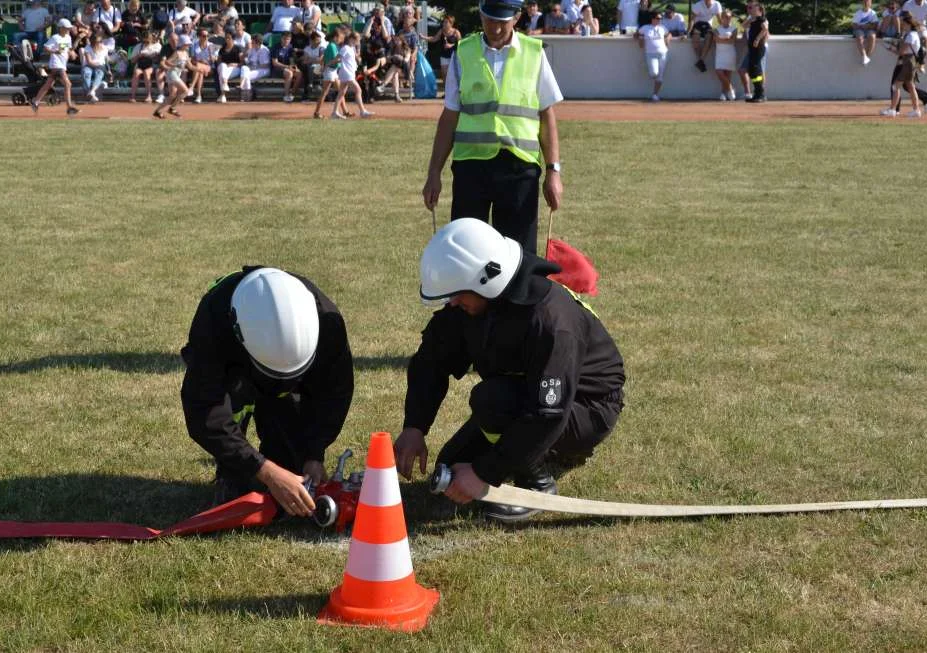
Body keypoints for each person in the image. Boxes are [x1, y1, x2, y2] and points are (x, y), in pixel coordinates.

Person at [393, 219, 625, 522]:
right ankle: (524, 453)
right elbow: (431, 361)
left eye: (458, 294)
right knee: (450, 464)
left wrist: (483, 473)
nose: (452, 302)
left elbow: (549, 412)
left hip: (585, 407)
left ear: (487, 280)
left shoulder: (551, 321)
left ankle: (537, 484)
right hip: (525, 396)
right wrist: (415, 426)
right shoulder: (474, 302)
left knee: (491, 401)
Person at [181, 267, 354, 513]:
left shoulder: (327, 322)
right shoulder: (213, 324)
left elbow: (334, 392)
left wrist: (313, 453)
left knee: (293, 471)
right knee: (241, 482)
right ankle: (232, 473)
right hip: (235, 370)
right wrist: (263, 470)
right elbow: (205, 411)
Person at [422, 0, 564, 256]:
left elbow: (547, 116)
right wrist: (434, 172)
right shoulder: (462, 52)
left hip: (520, 169)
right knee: (466, 254)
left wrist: (554, 171)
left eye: (502, 21)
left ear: (517, 17)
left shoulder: (535, 53)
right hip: (470, 169)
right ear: (480, 13)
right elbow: (449, 117)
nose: (495, 28)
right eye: (489, 19)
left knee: (519, 257)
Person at [31, 18, 80, 115]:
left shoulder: (68, 37)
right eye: (66, 28)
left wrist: (72, 53)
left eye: (68, 28)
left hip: (62, 64)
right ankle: (69, 107)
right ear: (61, 28)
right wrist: (54, 51)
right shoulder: (55, 37)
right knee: (68, 84)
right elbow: (46, 47)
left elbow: (68, 49)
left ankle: (35, 102)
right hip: (56, 65)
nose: (68, 30)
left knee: (48, 85)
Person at [881, 12, 924, 116]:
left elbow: (901, 52)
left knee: (896, 86)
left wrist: (890, 48)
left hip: (908, 62)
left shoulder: (910, 35)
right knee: (910, 86)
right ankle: (915, 110)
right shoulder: (912, 35)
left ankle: (893, 110)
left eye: (903, 23)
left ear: (908, 23)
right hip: (909, 62)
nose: (902, 25)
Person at [332, 31, 375, 118]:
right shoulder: (345, 48)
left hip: (349, 72)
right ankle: (362, 111)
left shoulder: (351, 48)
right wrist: (328, 64)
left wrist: (357, 58)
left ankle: (334, 112)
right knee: (358, 90)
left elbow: (354, 58)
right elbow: (337, 58)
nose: (358, 42)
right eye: (357, 40)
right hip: (347, 73)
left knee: (341, 93)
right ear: (351, 39)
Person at [154, 35, 196, 118]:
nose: (188, 45)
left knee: (172, 96)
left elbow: (190, 66)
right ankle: (172, 108)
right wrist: (175, 65)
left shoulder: (186, 54)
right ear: (183, 44)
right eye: (187, 44)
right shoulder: (177, 52)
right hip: (172, 74)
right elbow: (167, 62)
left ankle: (157, 111)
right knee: (185, 91)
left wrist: (200, 69)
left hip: (176, 74)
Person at [420, 15, 461, 89]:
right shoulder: (441, 31)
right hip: (444, 55)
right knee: (444, 74)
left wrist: (451, 45)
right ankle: (447, 92)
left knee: (454, 74)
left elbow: (461, 43)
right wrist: (423, 37)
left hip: (454, 56)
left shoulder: (456, 32)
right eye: (444, 22)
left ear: (451, 23)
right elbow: (434, 39)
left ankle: (456, 90)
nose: (444, 24)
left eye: (446, 22)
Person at [637, 11, 669, 101]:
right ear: (652, 19)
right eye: (658, 18)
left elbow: (668, 34)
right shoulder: (645, 28)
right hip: (650, 54)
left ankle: (655, 94)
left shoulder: (663, 28)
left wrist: (667, 41)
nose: (659, 20)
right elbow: (637, 34)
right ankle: (656, 85)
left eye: (660, 19)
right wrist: (640, 39)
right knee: (654, 73)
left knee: (660, 75)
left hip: (663, 53)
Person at [314, 25, 344, 119]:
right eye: (340, 38)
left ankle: (345, 111)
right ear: (335, 37)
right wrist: (345, 59)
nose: (341, 40)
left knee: (340, 91)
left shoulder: (332, 45)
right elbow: (335, 59)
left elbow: (327, 59)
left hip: (333, 71)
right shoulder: (332, 46)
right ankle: (317, 112)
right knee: (325, 92)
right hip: (330, 71)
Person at [744, 1, 768, 102]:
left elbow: (765, 28)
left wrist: (757, 39)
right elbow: (744, 26)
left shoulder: (761, 18)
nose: (748, 9)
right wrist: (749, 18)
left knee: (755, 69)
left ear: (757, 8)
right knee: (751, 70)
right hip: (752, 48)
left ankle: (761, 94)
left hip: (758, 48)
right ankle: (757, 93)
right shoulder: (752, 19)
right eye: (748, 8)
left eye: (750, 7)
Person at [129, 30, 161, 102]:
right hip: (141, 64)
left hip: (152, 65)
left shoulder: (157, 46)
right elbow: (132, 60)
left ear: (152, 39)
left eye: (147, 41)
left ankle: (149, 95)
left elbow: (160, 57)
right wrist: (139, 55)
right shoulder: (139, 46)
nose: (146, 43)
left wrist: (152, 55)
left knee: (146, 72)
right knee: (136, 72)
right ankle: (132, 96)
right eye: (144, 41)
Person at [690, 0, 721, 71]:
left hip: (708, 25)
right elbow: (692, 19)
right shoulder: (698, 4)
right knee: (695, 42)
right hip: (697, 24)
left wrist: (723, 30)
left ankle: (700, 61)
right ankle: (701, 61)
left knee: (709, 38)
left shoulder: (717, 4)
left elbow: (720, 20)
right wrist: (688, 32)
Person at [271, 31, 302, 102]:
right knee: (289, 73)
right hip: (277, 69)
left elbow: (291, 60)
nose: (286, 41)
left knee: (299, 73)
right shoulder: (276, 47)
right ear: (281, 39)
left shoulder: (290, 47)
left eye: (288, 39)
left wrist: (294, 67)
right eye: (284, 39)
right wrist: (287, 67)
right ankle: (286, 95)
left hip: (287, 68)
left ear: (290, 39)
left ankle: (292, 94)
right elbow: (275, 63)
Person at [239, 33, 270, 101]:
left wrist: (253, 67)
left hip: (263, 70)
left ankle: (245, 93)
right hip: (253, 68)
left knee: (246, 76)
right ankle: (247, 93)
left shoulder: (264, 50)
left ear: (258, 43)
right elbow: (248, 61)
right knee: (244, 68)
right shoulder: (251, 49)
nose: (251, 44)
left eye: (253, 42)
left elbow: (265, 65)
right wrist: (244, 58)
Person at [714, 9, 737, 99]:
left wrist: (721, 39)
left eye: (729, 17)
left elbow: (732, 41)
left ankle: (723, 93)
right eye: (725, 17)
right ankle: (731, 89)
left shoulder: (734, 29)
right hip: (720, 54)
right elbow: (716, 40)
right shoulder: (716, 29)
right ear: (722, 18)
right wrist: (725, 39)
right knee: (719, 72)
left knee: (727, 75)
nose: (727, 19)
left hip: (730, 53)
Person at [216, 30, 243, 102]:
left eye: (229, 38)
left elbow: (242, 63)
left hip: (235, 69)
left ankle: (222, 95)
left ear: (233, 39)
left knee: (222, 75)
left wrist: (235, 64)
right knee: (222, 66)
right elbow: (219, 61)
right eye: (226, 38)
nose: (227, 40)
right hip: (223, 68)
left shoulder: (238, 48)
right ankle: (225, 83)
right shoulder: (222, 49)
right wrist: (224, 65)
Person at [188, 28, 214, 102]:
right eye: (204, 36)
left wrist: (210, 53)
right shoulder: (194, 45)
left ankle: (192, 87)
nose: (206, 37)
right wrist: (200, 61)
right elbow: (192, 59)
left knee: (198, 67)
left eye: (207, 36)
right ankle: (199, 96)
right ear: (199, 36)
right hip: (199, 67)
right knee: (200, 72)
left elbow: (213, 61)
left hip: (209, 67)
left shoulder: (211, 45)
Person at [81, 33, 108, 102]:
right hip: (89, 66)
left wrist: (108, 69)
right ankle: (90, 94)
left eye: (100, 41)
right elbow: (89, 62)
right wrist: (99, 64)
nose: (100, 43)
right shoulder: (88, 48)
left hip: (100, 67)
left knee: (99, 73)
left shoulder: (104, 48)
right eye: (98, 42)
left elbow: (106, 60)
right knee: (86, 72)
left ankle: (92, 91)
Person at [853, 0, 880, 65]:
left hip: (870, 29)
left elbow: (875, 24)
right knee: (859, 37)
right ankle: (864, 56)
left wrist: (869, 26)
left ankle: (867, 56)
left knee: (872, 36)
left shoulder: (873, 13)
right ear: (862, 3)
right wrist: (862, 26)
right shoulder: (858, 13)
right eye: (864, 2)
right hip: (860, 29)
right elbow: (854, 25)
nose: (866, 3)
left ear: (870, 3)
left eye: (867, 2)